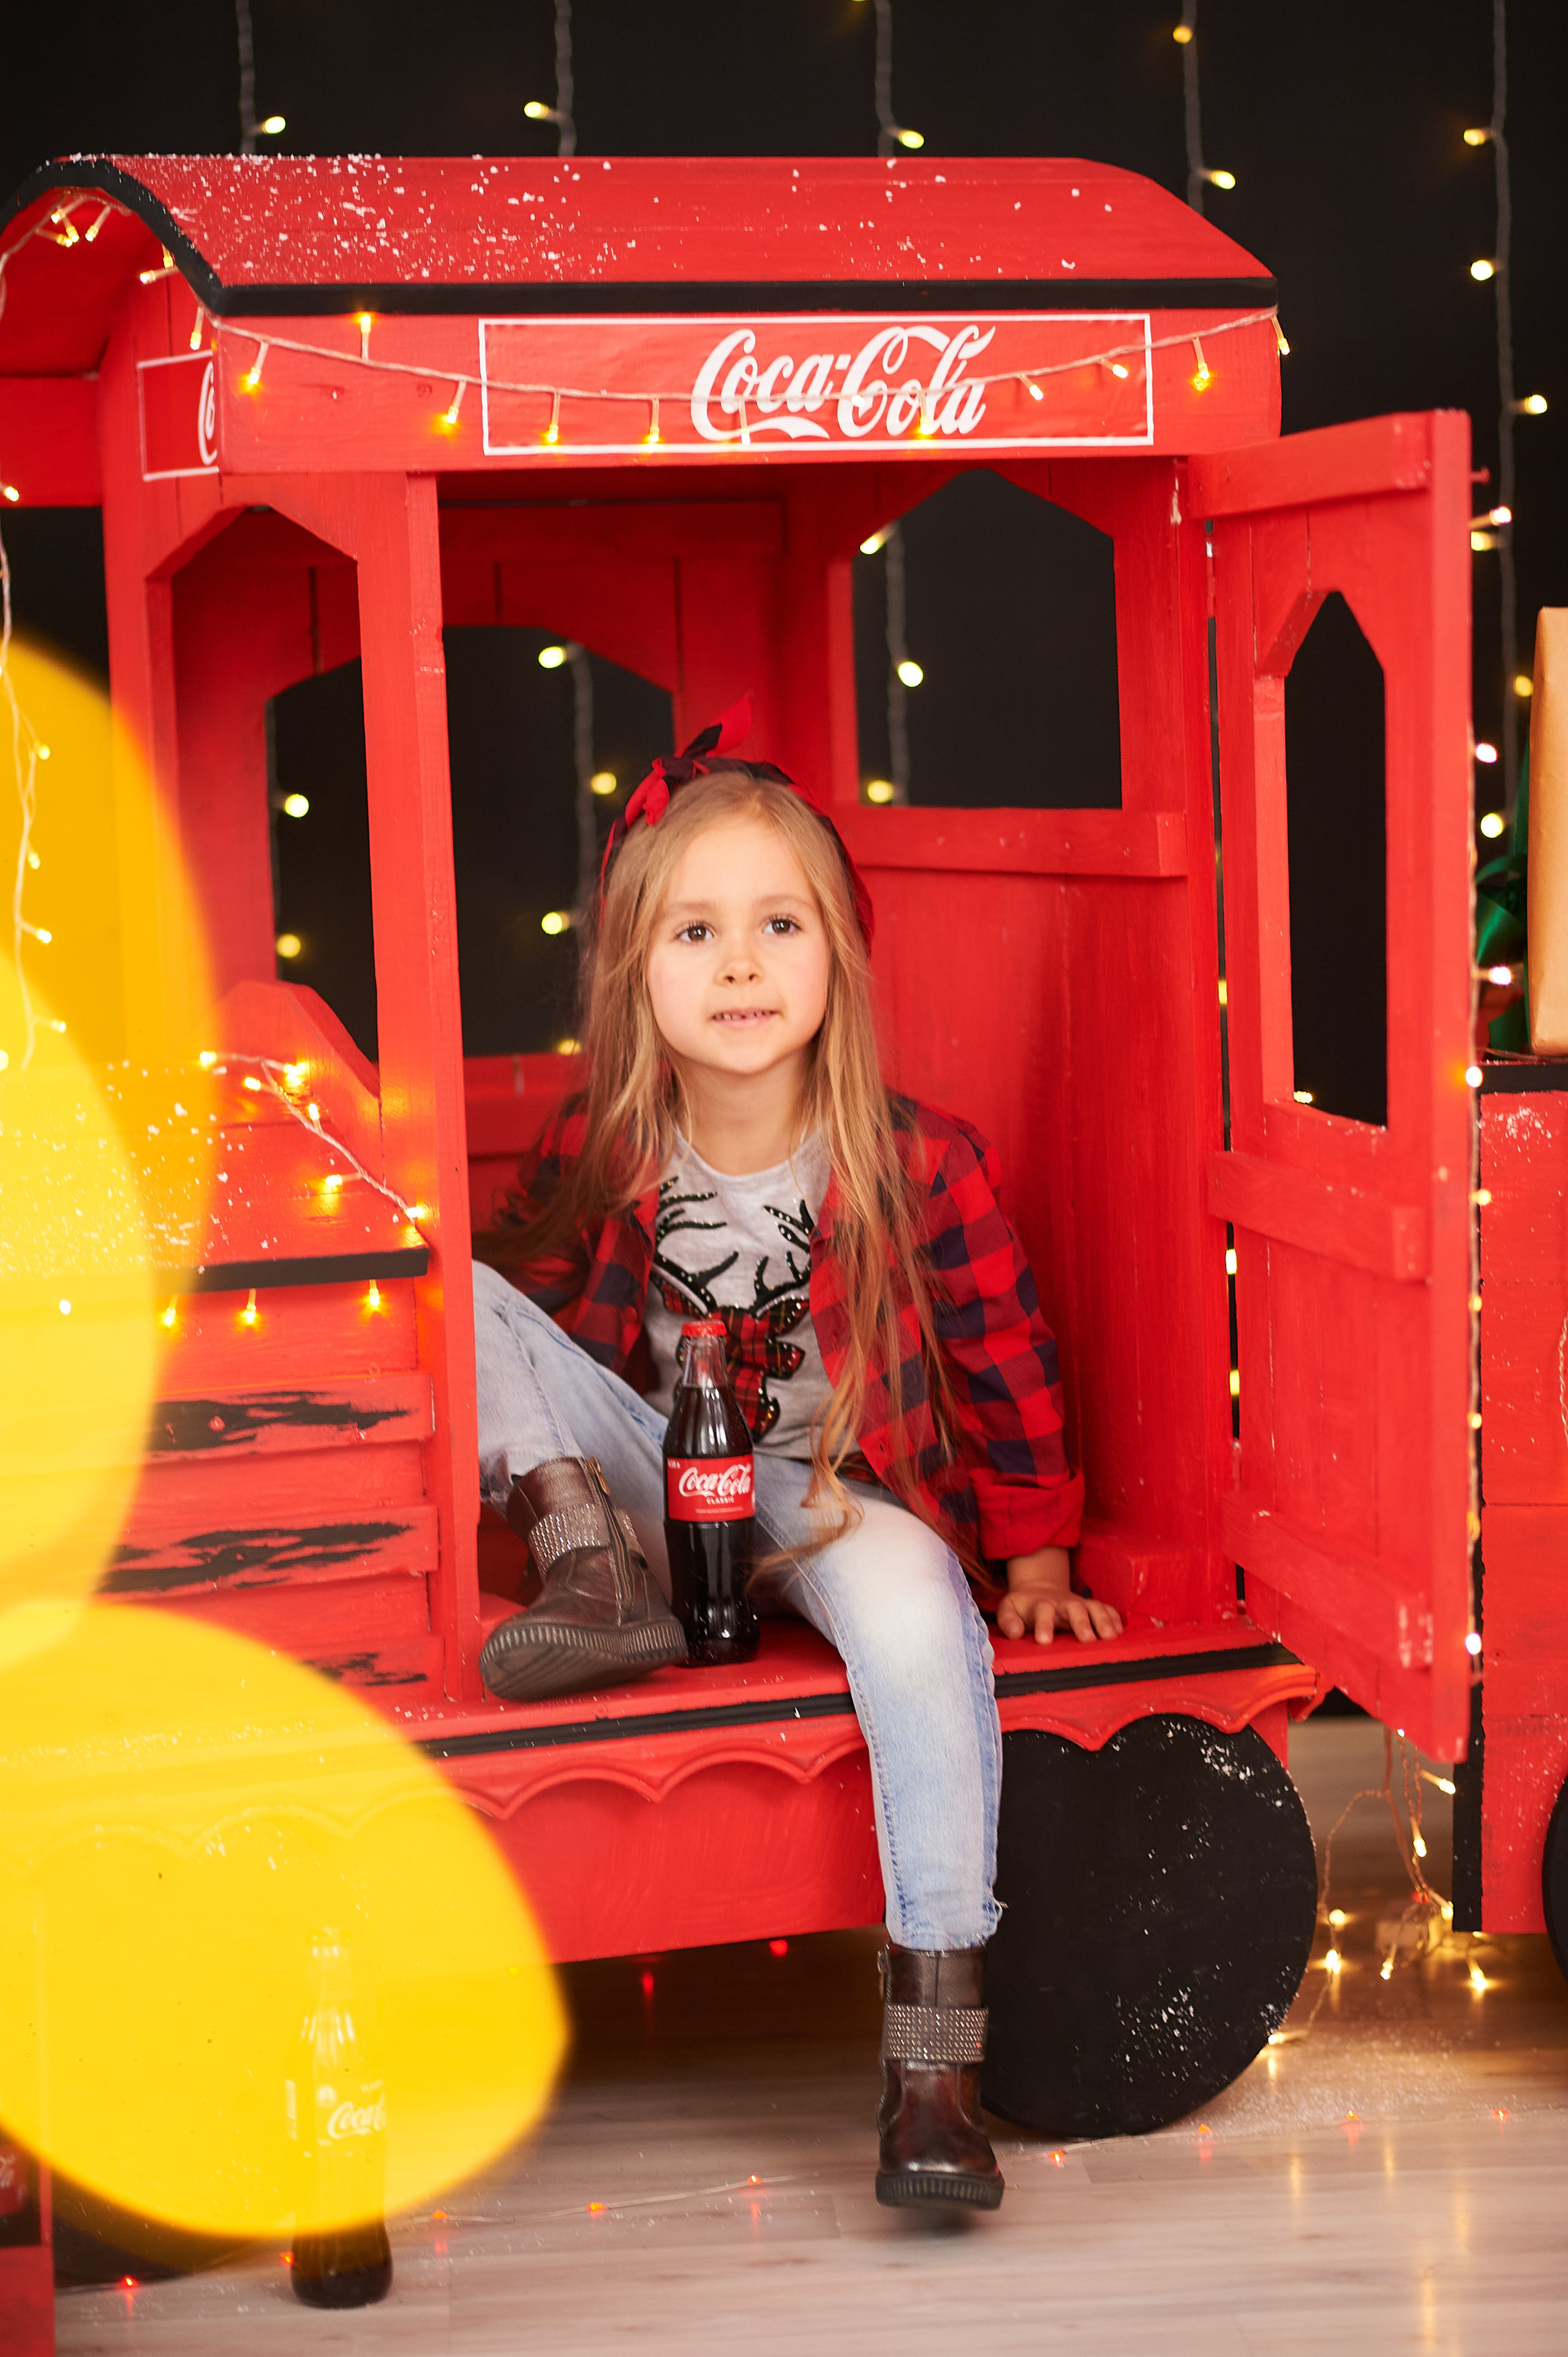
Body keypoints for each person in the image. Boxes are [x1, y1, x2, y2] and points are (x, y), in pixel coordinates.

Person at [472, 700, 1121, 2211]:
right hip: (648, 1496)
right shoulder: (605, 1142)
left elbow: (1001, 1353)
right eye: (696, 933)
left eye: (779, 924)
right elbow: (532, 1346)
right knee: (469, 1292)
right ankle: (593, 1576)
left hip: (832, 1495)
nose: (744, 965)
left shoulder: (915, 1161)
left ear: (838, 954)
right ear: (638, 969)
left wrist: (1032, 1556)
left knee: (914, 1615)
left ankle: (933, 2072)